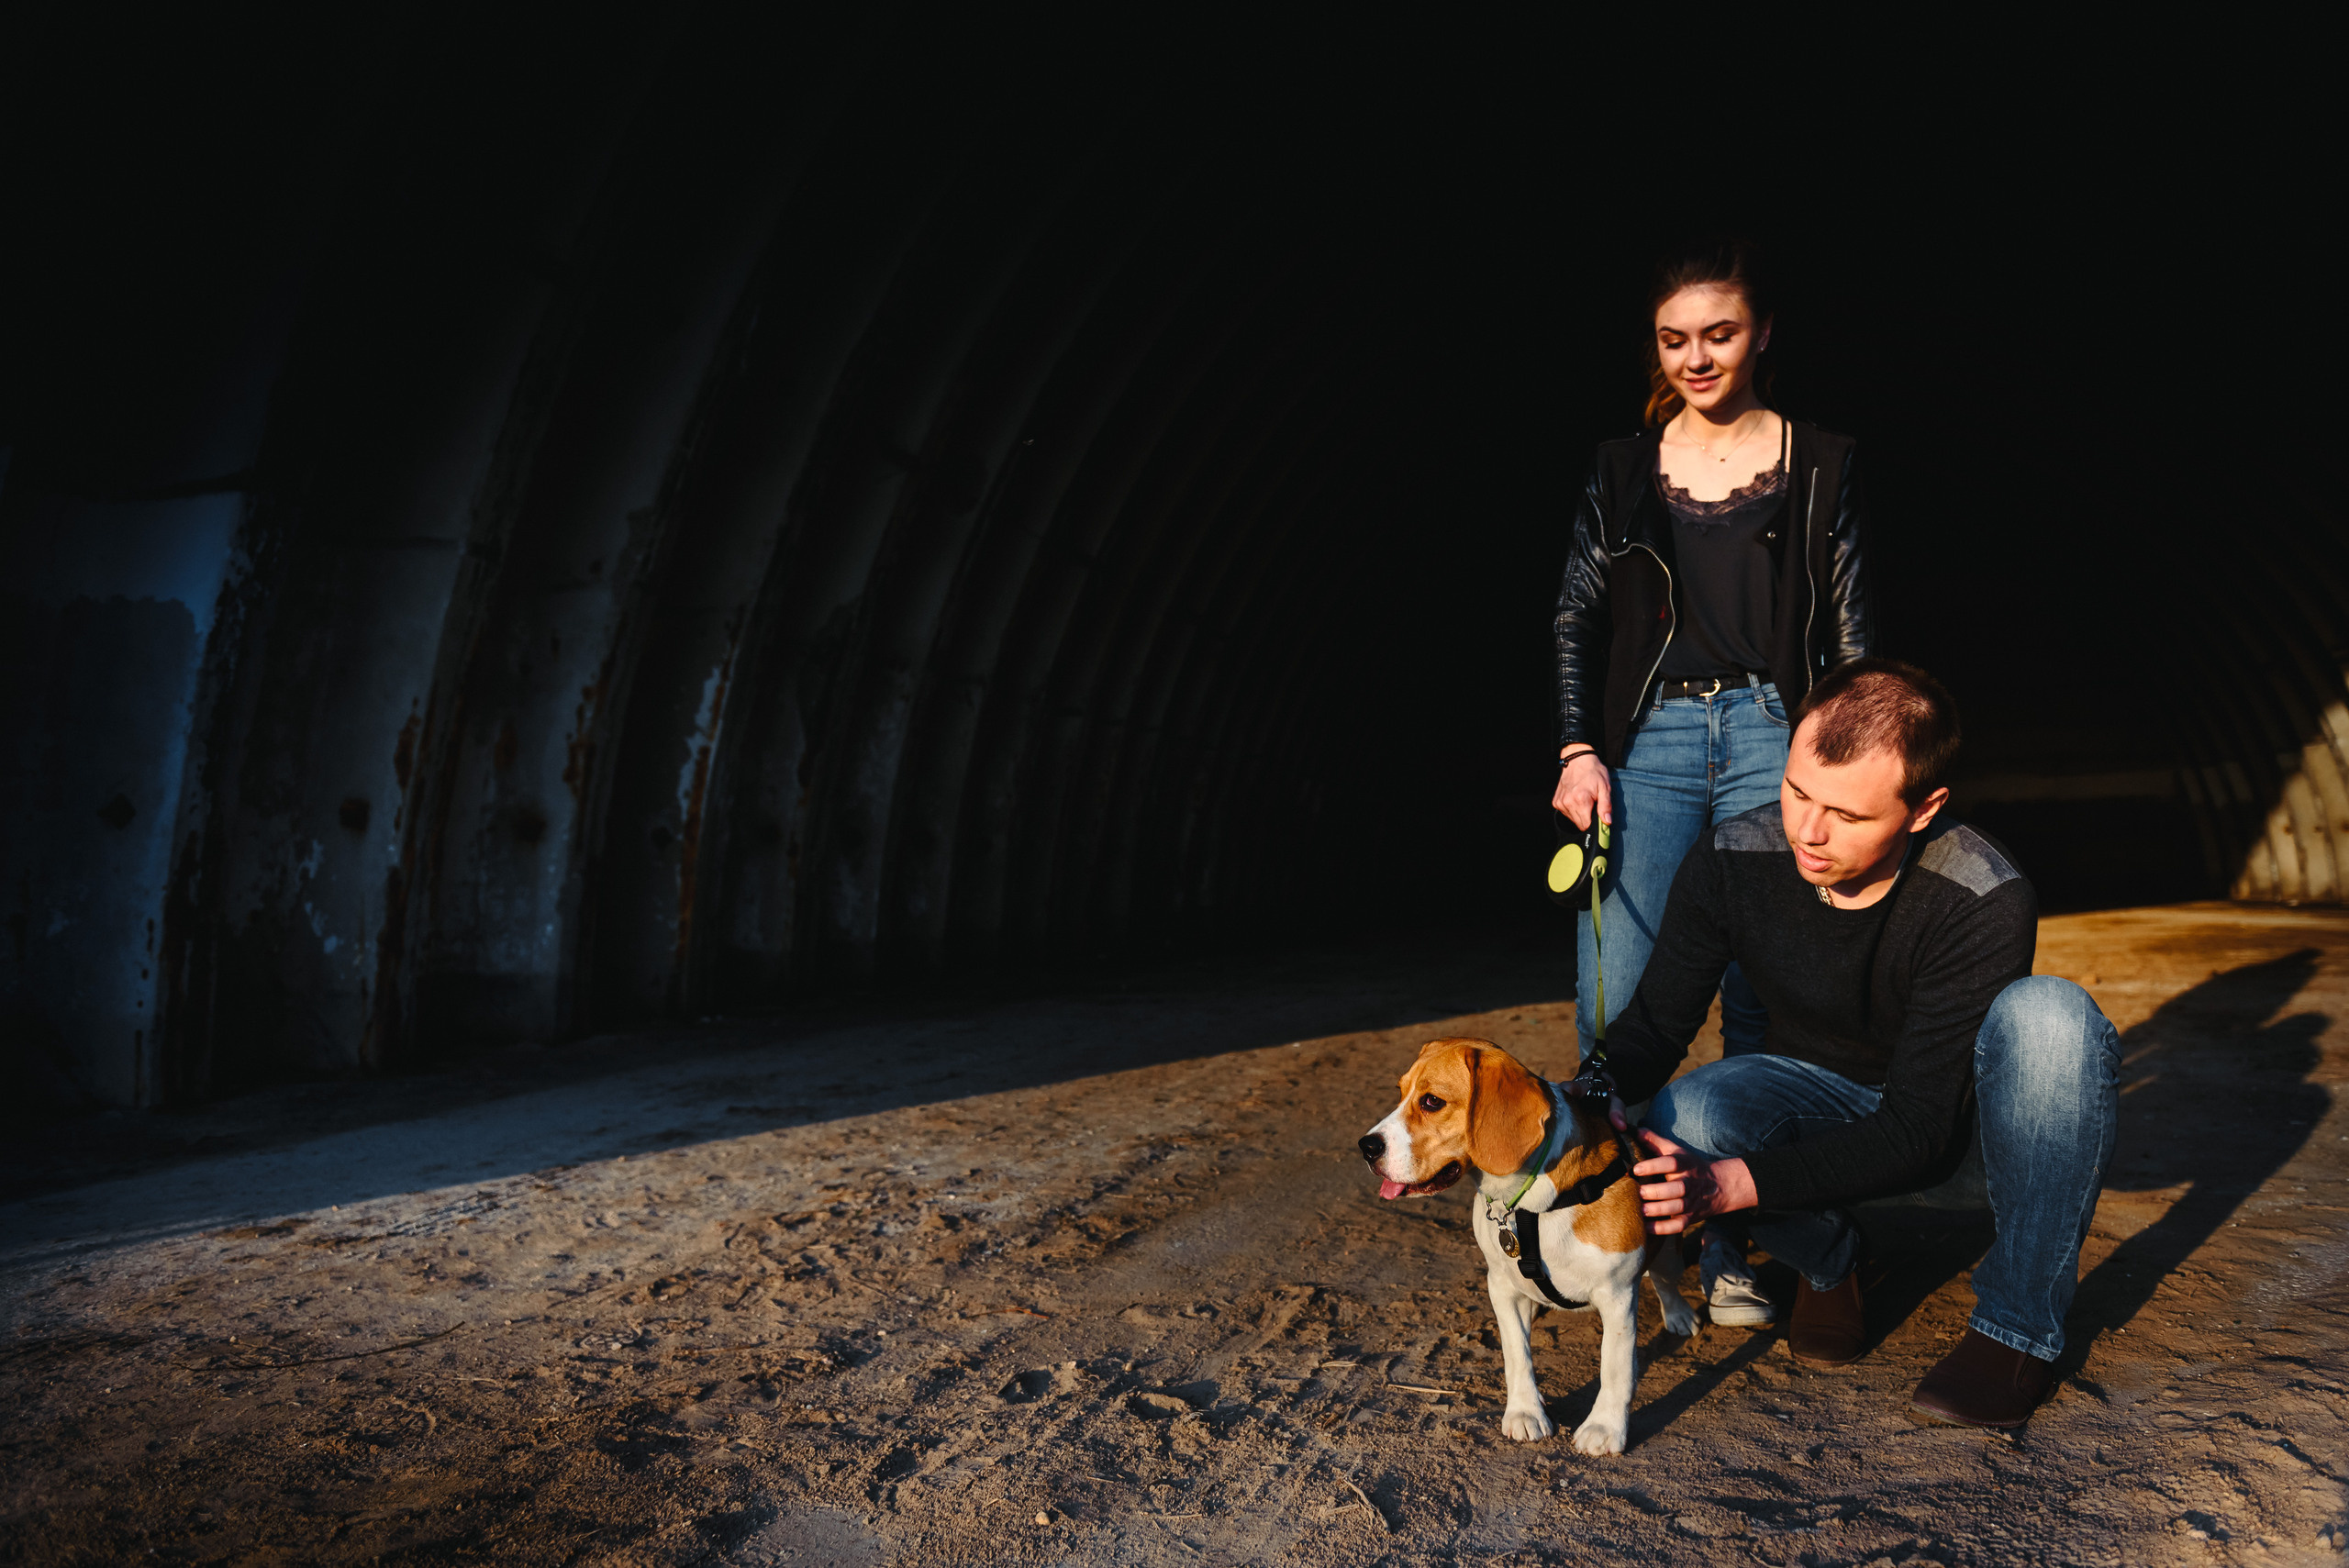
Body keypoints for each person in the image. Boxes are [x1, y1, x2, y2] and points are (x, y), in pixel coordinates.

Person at [1598, 659, 2120, 1429]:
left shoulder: (1982, 893)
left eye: (1847, 814)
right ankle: (1834, 1261)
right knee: (1688, 1111)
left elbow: (1917, 1128)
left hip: (1954, 1139)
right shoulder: (1733, 858)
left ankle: (2017, 1330)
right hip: (1815, 1107)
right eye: (1798, 790)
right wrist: (1577, 1093)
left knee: (2053, 1019)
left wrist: (1727, 1189)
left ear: (1922, 807)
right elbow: (1652, 1027)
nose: (1808, 829)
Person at [1552, 238, 1872, 1328]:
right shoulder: (1622, 470)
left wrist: (1838, 763)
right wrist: (1575, 748)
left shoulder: (1821, 461)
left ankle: (1733, 1244)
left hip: (1780, 736)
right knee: (1618, 999)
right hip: (1651, 743)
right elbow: (1575, 616)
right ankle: (1608, 1243)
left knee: (1759, 1004)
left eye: (1719, 333)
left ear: (1762, 332)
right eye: (1674, 338)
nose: (1697, 356)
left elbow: (1851, 634)